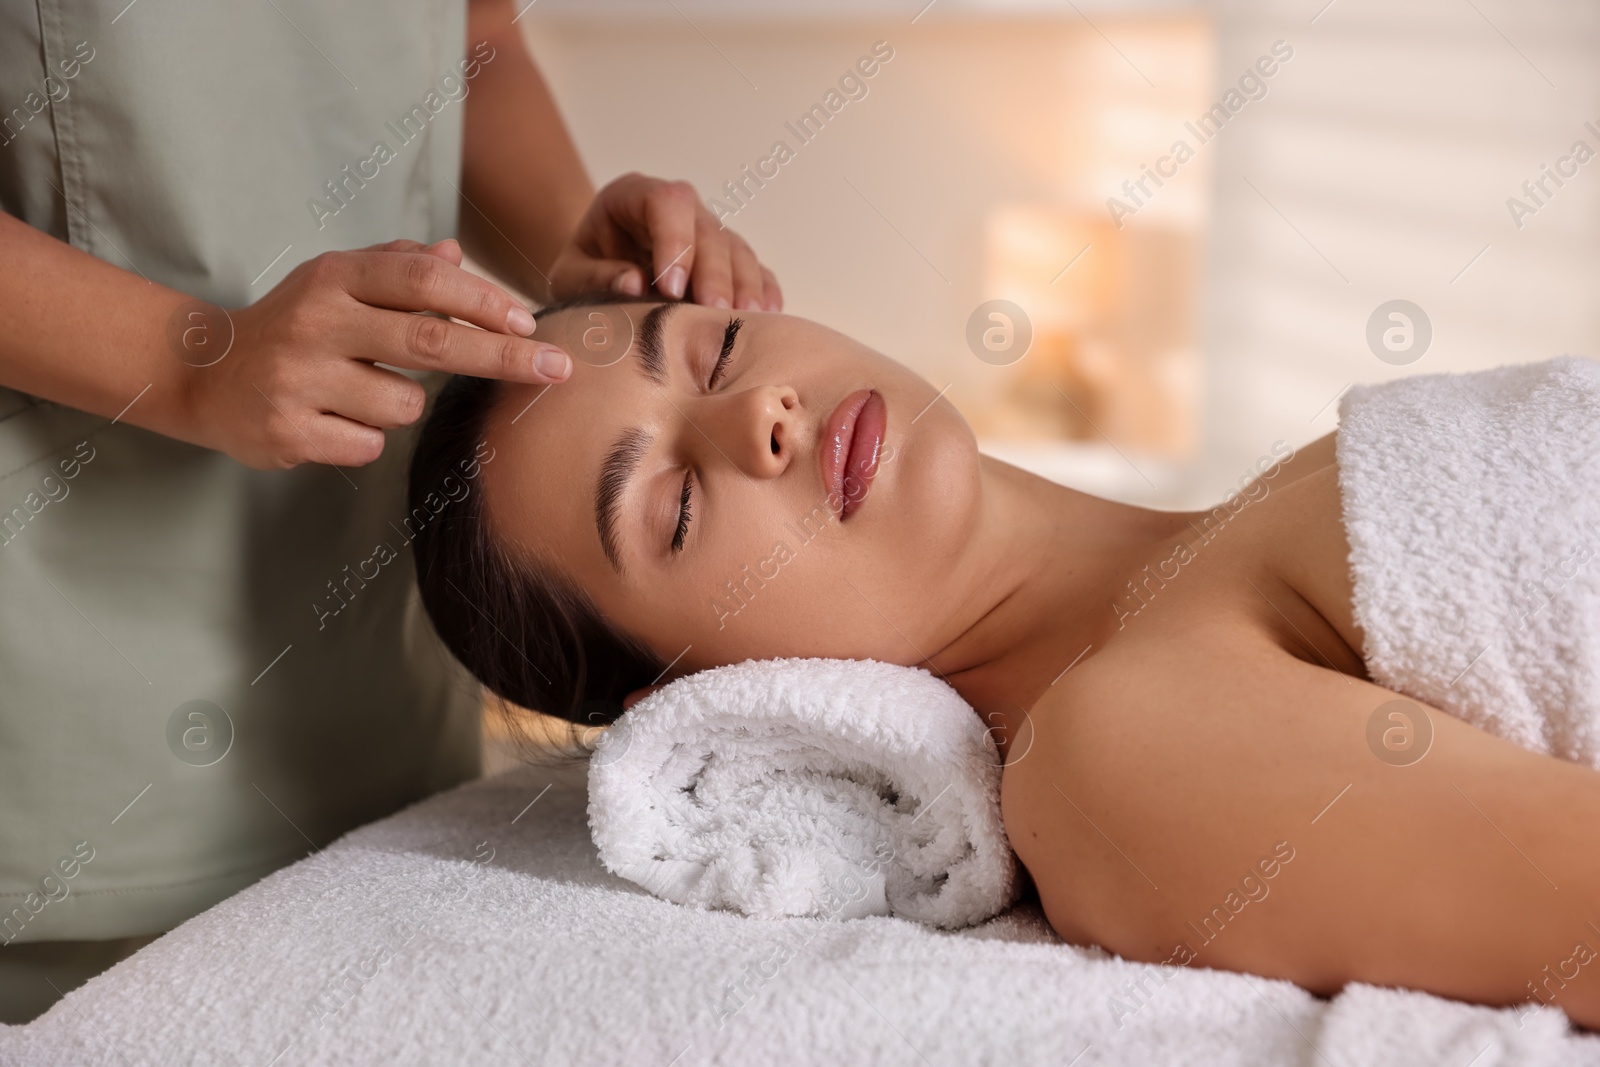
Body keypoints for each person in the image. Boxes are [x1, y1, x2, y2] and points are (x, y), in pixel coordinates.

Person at [408, 293, 1600, 1029]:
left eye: (717, 348)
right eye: (672, 507)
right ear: (696, 703)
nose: (757, 412)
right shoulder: (1114, 754)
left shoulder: (1268, 510)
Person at [0, 0, 778, 1023]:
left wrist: (566, 246)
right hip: (77, 721)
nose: (768, 416)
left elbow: (470, 43)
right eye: (672, 507)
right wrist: (188, 360)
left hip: (389, 691)